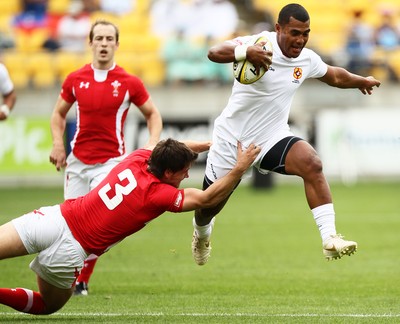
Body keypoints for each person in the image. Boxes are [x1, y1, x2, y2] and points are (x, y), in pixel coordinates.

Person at [191, 3, 381, 266]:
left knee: (312, 163)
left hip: (272, 137)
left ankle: (330, 238)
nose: (300, 40)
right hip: (232, 140)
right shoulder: (258, 43)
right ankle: (201, 234)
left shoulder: (306, 58)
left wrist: (361, 81)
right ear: (278, 28)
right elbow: (214, 52)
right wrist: (246, 52)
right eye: (294, 33)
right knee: (208, 206)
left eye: (306, 33)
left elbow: (335, 76)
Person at [0, 138, 261, 315]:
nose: (187, 175)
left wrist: (212, 144)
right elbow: (208, 198)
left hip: (53, 219)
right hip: (70, 250)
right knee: (47, 305)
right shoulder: (158, 194)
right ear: (168, 173)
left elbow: (166, 144)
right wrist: (239, 168)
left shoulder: (138, 157)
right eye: (184, 170)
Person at [49, 19, 163, 295]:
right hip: (77, 163)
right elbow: (58, 114)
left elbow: (153, 115)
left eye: (109, 39)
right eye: (98, 39)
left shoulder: (129, 82)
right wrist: (58, 145)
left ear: (117, 44)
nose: (103, 44)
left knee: (99, 223)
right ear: (90, 43)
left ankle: (81, 281)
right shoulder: (75, 79)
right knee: (71, 225)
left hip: (111, 164)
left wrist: (151, 144)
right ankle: (67, 277)